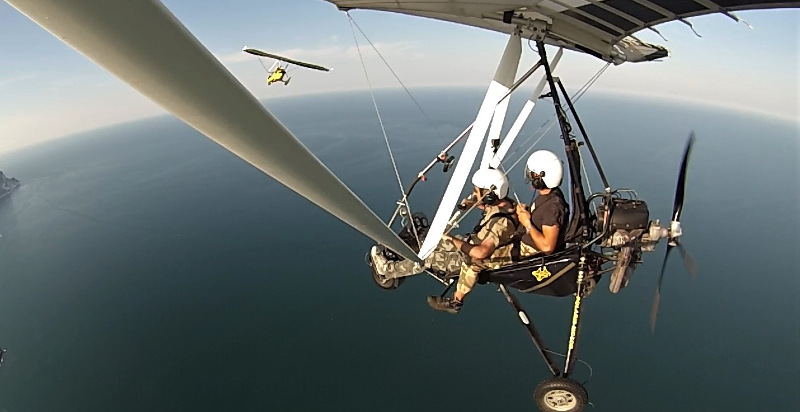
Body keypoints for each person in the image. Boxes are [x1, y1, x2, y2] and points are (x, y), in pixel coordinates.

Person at [370, 168, 520, 314]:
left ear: (489, 195)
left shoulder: (501, 224)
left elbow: (481, 252)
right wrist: (474, 204)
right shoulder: (506, 204)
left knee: (427, 257)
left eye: (477, 191)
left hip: (467, 258)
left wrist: (451, 239)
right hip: (467, 245)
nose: (475, 194)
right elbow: (490, 210)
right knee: (429, 241)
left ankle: (387, 270)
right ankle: (406, 253)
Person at [515, 150, 569, 257]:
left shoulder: (552, 208)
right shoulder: (549, 195)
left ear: (538, 177)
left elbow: (547, 247)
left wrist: (527, 223)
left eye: (532, 173)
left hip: (529, 256)